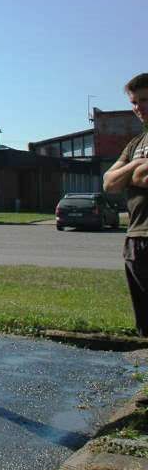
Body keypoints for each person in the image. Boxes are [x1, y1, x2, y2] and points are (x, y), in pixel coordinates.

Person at [104, 73, 148, 336]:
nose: (139, 107)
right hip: (135, 240)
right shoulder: (135, 144)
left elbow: (144, 177)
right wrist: (136, 164)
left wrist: (128, 174)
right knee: (145, 324)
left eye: (145, 100)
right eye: (134, 102)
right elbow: (109, 183)